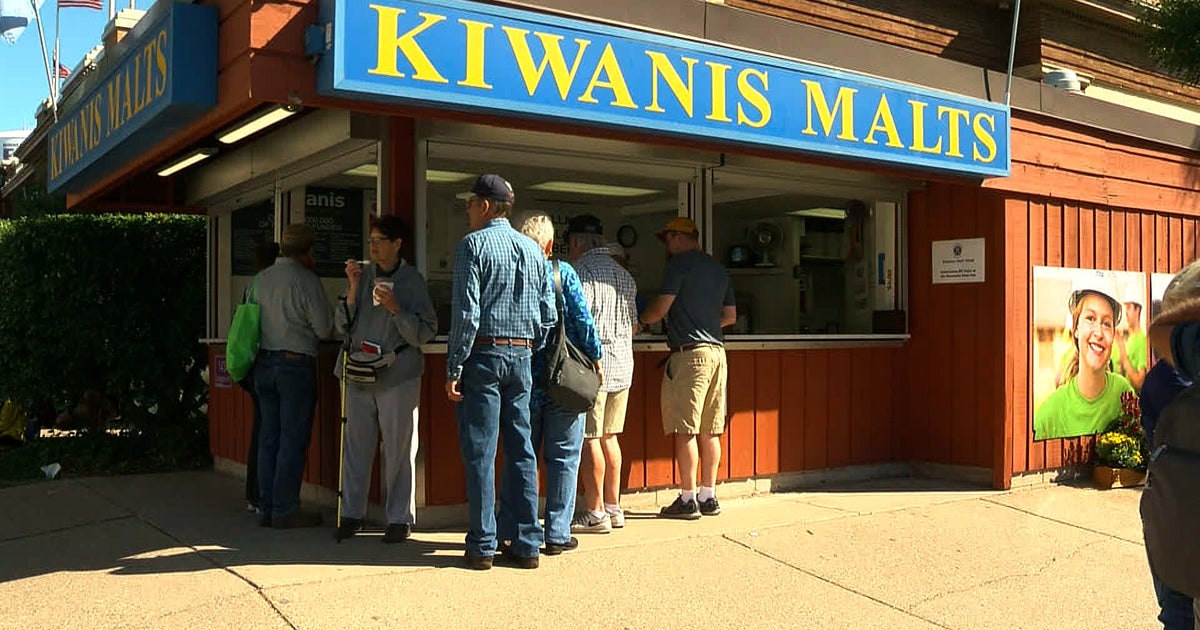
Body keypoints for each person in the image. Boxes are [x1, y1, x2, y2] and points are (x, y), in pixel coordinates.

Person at [444, 174, 556, 570]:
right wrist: (528, 346)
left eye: (471, 204)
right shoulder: (532, 250)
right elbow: (548, 315)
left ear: (486, 206)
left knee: (481, 451)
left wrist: (455, 365)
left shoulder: (472, 246)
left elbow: (466, 314)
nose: (468, 211)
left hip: (484, 355)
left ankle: (482, 544)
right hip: (521, 355)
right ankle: (527, 543)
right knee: (522, 449)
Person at [497, 213, 602, 556]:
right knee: (564, 457)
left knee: (520, 456)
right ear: (550, 244)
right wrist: (596, 356)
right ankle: (557, 533)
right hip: (563, 379)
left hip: (523, 378)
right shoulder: (562, 272)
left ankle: (511, 529)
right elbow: (582, 321)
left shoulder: (511, 272)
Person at [334, 216, 437, 543]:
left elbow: (425, 331)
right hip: (359, 374)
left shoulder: (412, 280)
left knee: (399, 449)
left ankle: (399, 519)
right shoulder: (362, 276)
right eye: (371, 241)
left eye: (380, 240)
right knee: (355, 448)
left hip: (397, 374)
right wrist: (352, 289)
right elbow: (341, 326)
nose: (373, 247)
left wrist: (396, 309)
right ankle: (352, 514)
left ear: (397, 244)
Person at [638, 217, 736, 520]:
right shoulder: (718, 269)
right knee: (711, 430)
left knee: (686, 429)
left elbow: (661, 308)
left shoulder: (678, 265)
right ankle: (709, 495)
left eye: (668, 239)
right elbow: (730, 316)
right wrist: (705, 325)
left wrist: (640, 320)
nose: (667, 247)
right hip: (717, 353)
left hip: (690, 355)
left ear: (680, 237)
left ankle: (687, 498)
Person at [253, 223, 334, 529]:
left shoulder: (261, 279)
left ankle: (266, 506)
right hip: (294, 364)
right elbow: (324, 328)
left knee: (268, 437)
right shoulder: (306, 280)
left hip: (263, 362)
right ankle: (285, 508)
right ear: (308, 251)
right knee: (292, 438)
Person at [568, 215, 638, 534]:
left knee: (590, 439)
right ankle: (613, 507)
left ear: (574, 242)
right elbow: (634, 326)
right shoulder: (624, 275)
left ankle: (595, 512)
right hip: (623, 365)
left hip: (592, 369)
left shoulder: (580, 272)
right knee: (611, 437)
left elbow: (577, 324)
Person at [1139, 264, 1200, 630]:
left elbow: (1161, 332)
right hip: (1180, 516)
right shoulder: (1168, 379)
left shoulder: (1167, 374)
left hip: (1174, 517)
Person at [1033, 273, 1135, 441]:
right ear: (1076, 329)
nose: (1099, 333)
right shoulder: (1048, 417)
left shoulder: (1124, 395)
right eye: (1090, 318)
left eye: (1106, 323)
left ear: (1113, 335)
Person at [241, 240, 279, 514]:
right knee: (269, 432)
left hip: (254, 363)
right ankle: (262, 494)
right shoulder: (272, 284)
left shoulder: (252, 285)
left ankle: (254, 494)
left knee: (261, 430)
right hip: (270, 360)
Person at [1115, 292, 1149, 391]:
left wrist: (1125, 360)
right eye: (1125, 308)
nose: (1126, 313)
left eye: (1129, 308)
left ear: (1137, 310)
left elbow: (1139, 382)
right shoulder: (1129, 339)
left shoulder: (1142, 340)